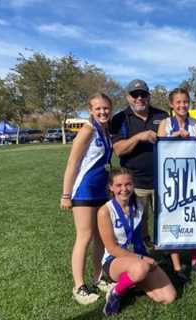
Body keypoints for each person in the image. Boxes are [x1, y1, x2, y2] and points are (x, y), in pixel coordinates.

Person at [98, 168, 176, 316]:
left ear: (133, 185)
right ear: (111, 187)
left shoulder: (140, 205)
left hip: (139, 258)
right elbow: (112, 248)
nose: (124, 189)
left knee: (168, 297)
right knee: (141, 267)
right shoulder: (105, 211)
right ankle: (116, 292)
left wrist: (152, 245)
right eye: (119, 185)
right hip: (115, 260)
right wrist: (143, 258)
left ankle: (132, 282)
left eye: (128, 184)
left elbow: (143, 234)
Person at [60, 93, 113, 304]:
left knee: (101, 236)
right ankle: (79, 286)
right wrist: (66, 194)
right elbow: (72, 164)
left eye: (106, 108)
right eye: (98, 109)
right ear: (90, 110)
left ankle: (98, 277)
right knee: (84, 237)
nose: (102, 112)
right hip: (84, 191)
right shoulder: (87, 131)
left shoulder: (105, 131)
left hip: (102, 191)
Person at [157, 88, 196, 279]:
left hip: (194, 177)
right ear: (171, 104)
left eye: (185, 102)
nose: (182, 105)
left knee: (194, 218)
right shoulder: (165, 123)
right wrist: (174, 138)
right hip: (172, 179)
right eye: (178, 102)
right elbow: (160, 146)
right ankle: (177, 266)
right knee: (174, 220)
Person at [110, 79, 169, 248]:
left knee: (165, 216)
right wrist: (139, 137)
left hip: (162, 180)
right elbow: (119, 150)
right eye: (134, 94)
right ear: (128, 97)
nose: (139, 98)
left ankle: (165, 250)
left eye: (143, 94)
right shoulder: (120, 118)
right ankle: (142, 247)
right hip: (135, 180)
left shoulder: (162, 116)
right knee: (139, 219)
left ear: (148, 96)